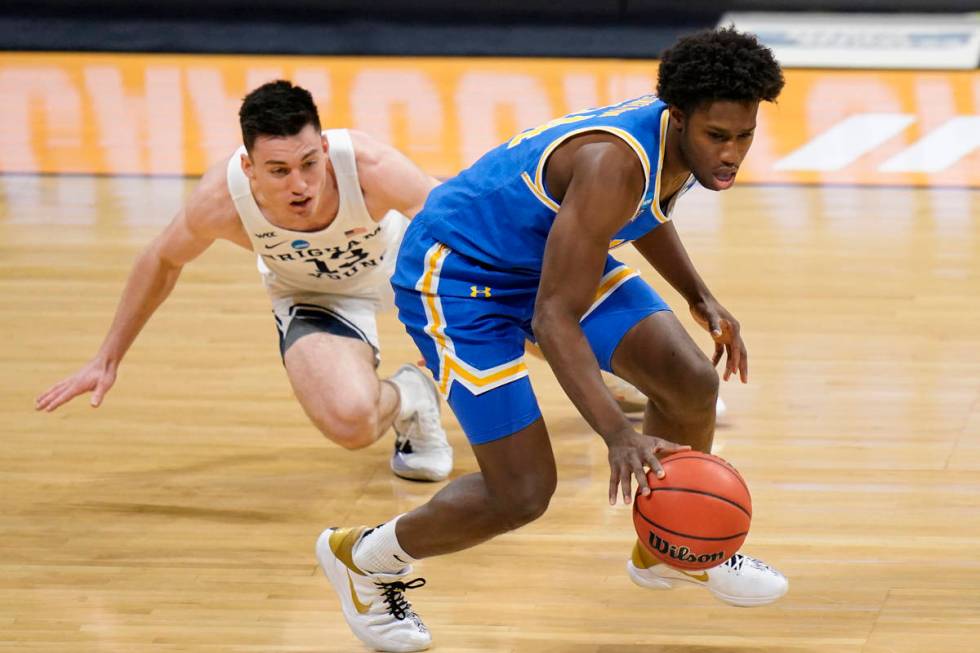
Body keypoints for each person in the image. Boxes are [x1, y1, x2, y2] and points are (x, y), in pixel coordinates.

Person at [317, 27, 790, 651]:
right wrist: (616, 432)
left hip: (544, 257)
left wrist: (698, 295)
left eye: (744, 136)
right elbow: (553, 318)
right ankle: (364, 558)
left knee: (689, 381)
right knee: (522, 493)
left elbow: (639, 210)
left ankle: (667, 550)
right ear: (678, 119)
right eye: (718, 137)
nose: (731, 153)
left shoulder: (676, 145)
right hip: (458, 280)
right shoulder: (613, 161)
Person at [34, 80, 453, 482]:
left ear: (325, 148)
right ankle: (412, 395)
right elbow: (162, 260)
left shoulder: (370, 167)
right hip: (317, 294)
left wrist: (479, 308)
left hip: (408, 265)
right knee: (352, 422)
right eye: (279, 170)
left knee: (519, 321)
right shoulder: (220, 200)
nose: (300, 185)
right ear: (249, 168)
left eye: (309, 163)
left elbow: (455, 226)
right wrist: (107, 357)